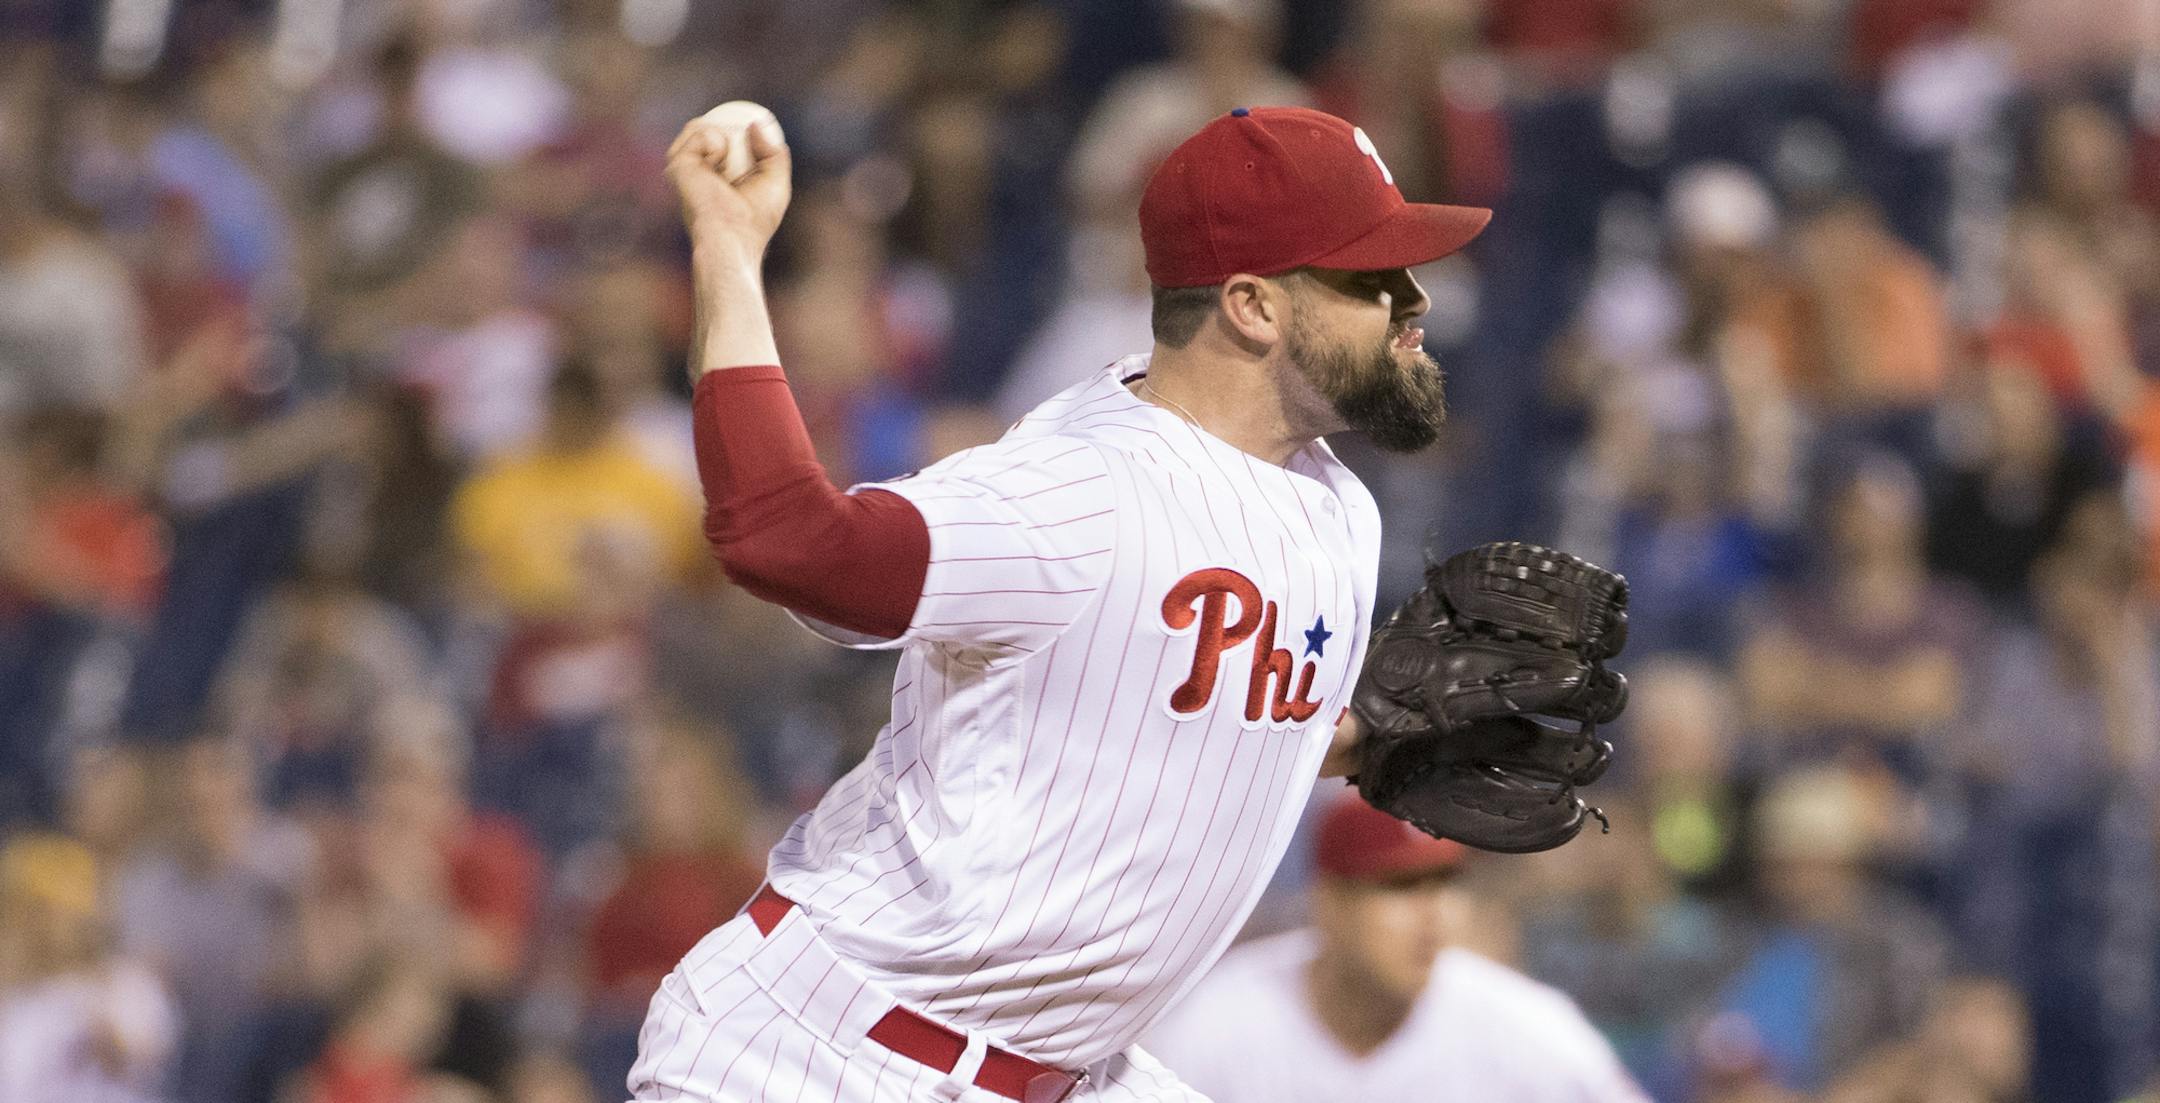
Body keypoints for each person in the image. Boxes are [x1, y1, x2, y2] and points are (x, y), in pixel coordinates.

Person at [638, 102, 1490, 1101]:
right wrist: (731, 253)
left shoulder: (1337, 508)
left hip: (1064, 1069)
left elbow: (1176, 714)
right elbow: (786, 537)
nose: (1414, 299)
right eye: (1371, 278)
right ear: (1254, 306)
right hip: (829, 1054)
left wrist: (1381, 741)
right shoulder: (1078, 490)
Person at [1144, 791, 1649, 1101]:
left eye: (1445, 883)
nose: (1433, 915)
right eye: (1399, 887)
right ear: (1330, 903)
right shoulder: (1211, 1026)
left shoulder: (1529, 1031)